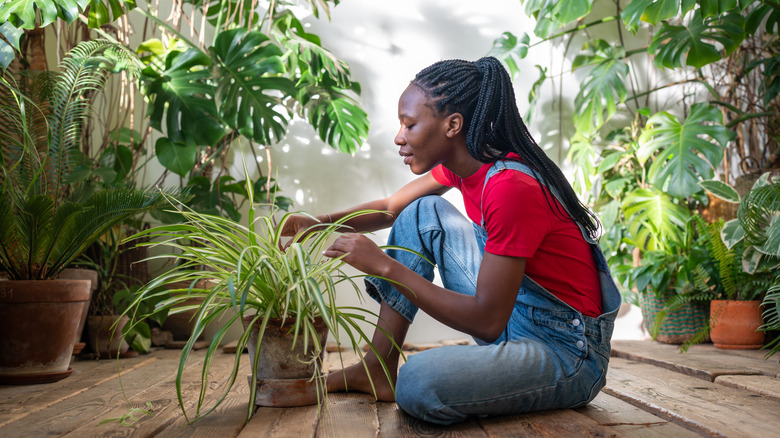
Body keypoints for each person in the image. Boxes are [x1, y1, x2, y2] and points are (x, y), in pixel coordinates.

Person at [281, 56, 621, 425]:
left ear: (452, 125)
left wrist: (383, 265)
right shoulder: (466, 164)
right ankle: (378, 367)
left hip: (566, 350)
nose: (399, 137)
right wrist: (316, 223)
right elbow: (391, 208)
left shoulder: (510, 187)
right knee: (420, 212)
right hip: (517, 316)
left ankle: (401, 373)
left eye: (409, 125)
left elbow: (487, 321)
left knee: (419, 382)